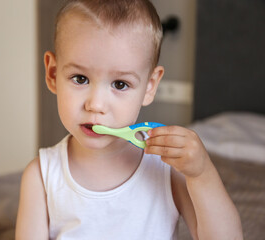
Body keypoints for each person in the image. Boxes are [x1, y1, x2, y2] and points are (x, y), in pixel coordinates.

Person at [15, 0, 243, 239]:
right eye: (80, 79)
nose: (96, 105)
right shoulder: (41, 176)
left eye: (120, 84)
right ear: (52, 73)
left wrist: (202, 174)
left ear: (149, 86)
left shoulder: (165, 167)